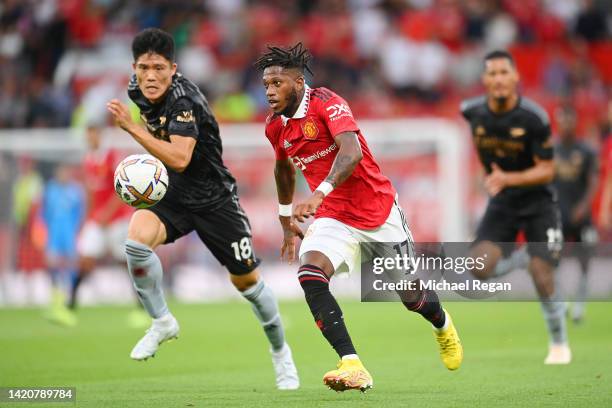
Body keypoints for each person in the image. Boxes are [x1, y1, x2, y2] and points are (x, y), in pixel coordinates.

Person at [255, 43, 463, 393]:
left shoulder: (327, 103)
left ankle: (442, 326)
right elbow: (283, 169)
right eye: (266, 85)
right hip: (334, 217)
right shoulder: (275, 126)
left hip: (377, 211)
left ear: (298, 82)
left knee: (411, 296)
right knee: (310, 274)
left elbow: (350, 153)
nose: (270, 92)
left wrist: (319, 192)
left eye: (277, 83)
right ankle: (352, 363)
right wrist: (285, 219)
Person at [105, 28, 299, 390]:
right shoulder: (137, 91)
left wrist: (132, 130)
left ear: (173, 68)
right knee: (135, 241)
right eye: (144, 67)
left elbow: (180, 157)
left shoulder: (184, 101)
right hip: (174, 195)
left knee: (247, 282)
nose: (150, 76)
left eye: (159, 68)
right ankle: (162, 321)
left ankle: (281, 353)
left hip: (215, 199)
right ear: (134, 68)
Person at [461, 50, 570, 364]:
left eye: (503, 73)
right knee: (478, 267)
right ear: (484, 80)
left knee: (542, 272)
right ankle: (521, 259)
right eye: (491, 74)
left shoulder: (534, 118)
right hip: (504, 202)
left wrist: (506, 177)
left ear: (515, 78)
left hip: (539, 202)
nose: (497, 80)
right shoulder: (471, 112)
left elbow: (548, 169)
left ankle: (559, 342)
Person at [70, 125, 148, 327]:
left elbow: (121, 188)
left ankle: (142, 307)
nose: (90, 139)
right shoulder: (88, 160)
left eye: (93, 135)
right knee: (86, 259)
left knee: (126, 264)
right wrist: (87, 219)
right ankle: (69, 307)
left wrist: (107, 213)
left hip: (117, 220)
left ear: (100, 136)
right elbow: (90, 193)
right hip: (97, 220)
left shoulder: (112, 157)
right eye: (88, 136)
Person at [553, 107, 598, 323]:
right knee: (554, 260)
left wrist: (583, 205)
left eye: (570, 121)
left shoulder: (586, 151)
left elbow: (593, 181)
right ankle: (562, 302)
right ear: (558, 123)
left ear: (575, 123)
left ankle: (580, 303)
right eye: (563, 121)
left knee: (585, 260)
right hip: (558, 215)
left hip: (582, 216)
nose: (567, 126)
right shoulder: (551, 149)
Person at [42, 163, 85, 327]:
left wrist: (78, 231)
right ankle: (56, 302)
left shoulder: (76, 191)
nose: (63, 174)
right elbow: (45, 212)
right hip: (54, 234)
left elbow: (80, 213)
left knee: (71, 268)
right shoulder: (50, 189)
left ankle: (68, 303)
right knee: (52, 265)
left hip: (70, 235)